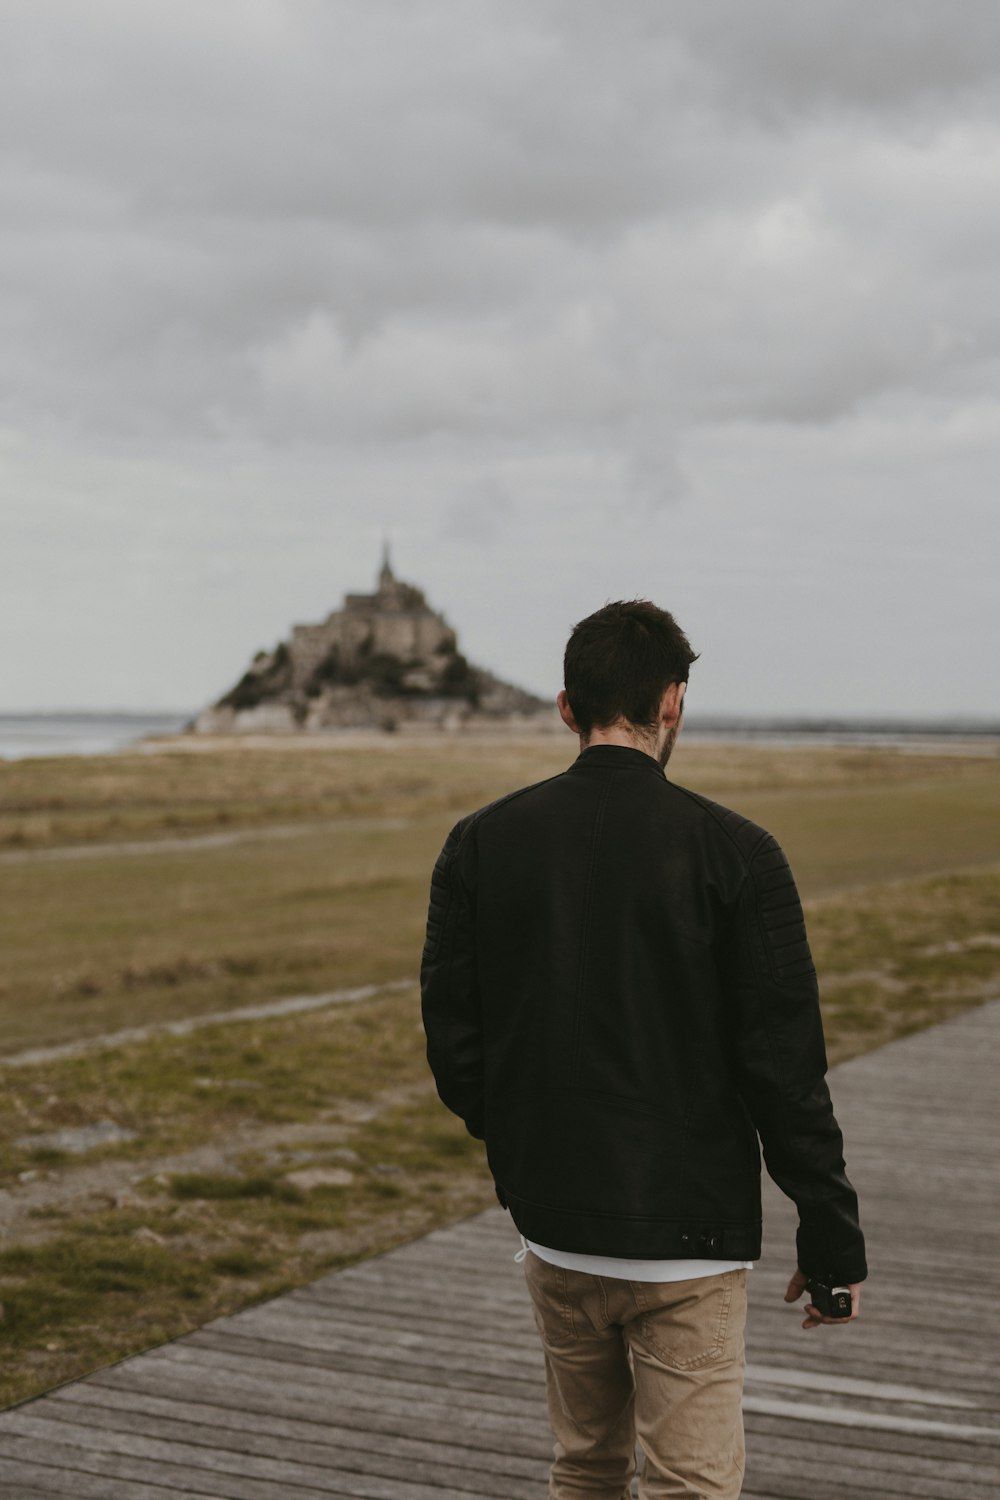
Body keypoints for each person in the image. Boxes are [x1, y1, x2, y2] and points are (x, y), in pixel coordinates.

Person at [420, 599, 866, 1500]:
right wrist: (831, 1240)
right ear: (673, 704)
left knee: (583, 1469)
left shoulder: (479, 843)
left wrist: (519, 1149)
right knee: (689, 1488)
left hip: (554, 1227)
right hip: (690, 1244)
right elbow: (785, 1072)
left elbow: (455, 1044)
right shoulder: (738, 852)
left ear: (565, 706)